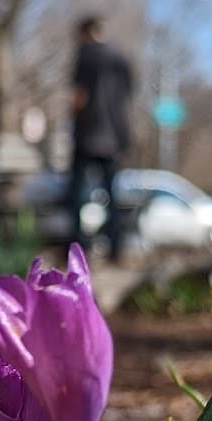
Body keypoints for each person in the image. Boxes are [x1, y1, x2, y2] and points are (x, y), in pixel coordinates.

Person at [66, 15, 134, 257]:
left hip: (87, 136)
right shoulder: (121, 58)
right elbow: (127, 97)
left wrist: (72, 116)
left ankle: (78, 248)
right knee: (111, 194)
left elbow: (79, 97)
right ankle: (116, 247)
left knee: (77, 195)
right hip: (114, 137)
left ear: (85, 32)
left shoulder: (86, 56)